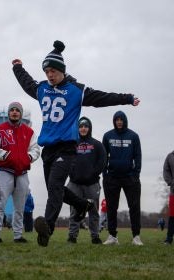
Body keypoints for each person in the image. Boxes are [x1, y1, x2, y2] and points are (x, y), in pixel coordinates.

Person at [12, 40, 140, 247]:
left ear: (62, 71)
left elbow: (101, 98)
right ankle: (82, 205)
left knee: (55, 186)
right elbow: (27, 83)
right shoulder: (42, 88)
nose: (50, 75)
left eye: (53, 70)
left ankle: (48, 227)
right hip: (48, 149)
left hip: (67, 147)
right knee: (57, 190)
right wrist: (17, 67)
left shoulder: (76, 90)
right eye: (47, 72)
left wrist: (126, 98)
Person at [0, 102, 40, 243]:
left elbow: (36, 149)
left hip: (22, 173)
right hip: (5, 172)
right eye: (12, 110)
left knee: (20, 206)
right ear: (8, 113)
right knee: (0, 204)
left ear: (21, 113)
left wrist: (26, 158)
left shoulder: (29, 132)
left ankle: (17, 235)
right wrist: (7, 156)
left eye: (17, 110)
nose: (14, 112)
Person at [102, 111, 142, 246]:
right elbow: (103, 156)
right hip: (112, 177)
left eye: (121, 119)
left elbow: (138, 156)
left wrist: (136, 174)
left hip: (130, 178)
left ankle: (136, 236)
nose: (119, 122)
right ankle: (112, 236)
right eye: (117, 120)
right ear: (114, 121)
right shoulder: (107, 136)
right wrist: (105, 173)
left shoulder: (134, 136)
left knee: (134, 207)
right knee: (111, 208)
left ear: (125, 120)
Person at [67, 117, 106, 244]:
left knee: (93, 211)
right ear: (78, 128)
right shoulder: (72, 143)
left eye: (85, 126)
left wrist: (94, 173)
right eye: (81, 126)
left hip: (92, 184)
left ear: (89, 128)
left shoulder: (97, 145)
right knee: (74, 210)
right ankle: (72, 236)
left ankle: (95, 236)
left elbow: (102, 161)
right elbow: (66, 159)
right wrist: (72, 173)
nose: (83, 128)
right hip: (74, 183)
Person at [163, 150, 174, 244]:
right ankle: (169, 239)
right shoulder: (170, 156)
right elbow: (166, 171)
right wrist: (171, 182)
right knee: (172, 215)